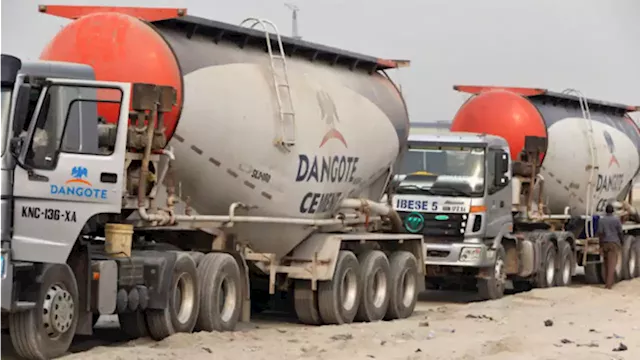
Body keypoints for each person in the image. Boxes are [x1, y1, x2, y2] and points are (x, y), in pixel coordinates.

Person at [596, 203, 624, 289]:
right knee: (612, 264)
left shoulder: (601, 220)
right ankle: (608, 285)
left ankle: (607, 281)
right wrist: (621, 242)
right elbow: (620, 232)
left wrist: (600, 245)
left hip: (604, 243)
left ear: (605, 211)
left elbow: (600, 233)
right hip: (614, 243)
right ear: (613, 211)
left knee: (606, 264)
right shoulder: (616, 220)